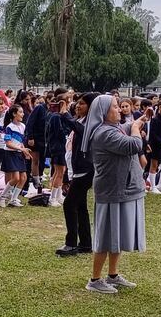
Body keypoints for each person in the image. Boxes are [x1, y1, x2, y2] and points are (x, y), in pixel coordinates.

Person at [83, 94, 149, 294]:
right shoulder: (104, 133)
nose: (119, 109)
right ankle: (95, 280)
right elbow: (133, 145)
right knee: (106, 236)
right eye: (114, 106)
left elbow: (125, 129)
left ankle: (112, 275)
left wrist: (137, 122)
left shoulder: (113, 128)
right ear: (103, 112)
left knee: (116, 235)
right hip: (112, 191)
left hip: (122, 189)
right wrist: (136, 129)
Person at [56, 93, 97, 256]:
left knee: (69, 204)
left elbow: (82, 131)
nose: (78, 106)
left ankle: (71, 243)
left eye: (82, 103)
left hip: (86, 169)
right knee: (80, 206)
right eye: (77, 103)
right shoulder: (81, 120)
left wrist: (65, 114)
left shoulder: (93, 123)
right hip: (79, 168)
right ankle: (85, 243)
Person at [0, 104, 31, 208]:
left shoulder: (23, 126)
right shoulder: (9, 127)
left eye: (23, 112)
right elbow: (8, 143)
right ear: (14, 114)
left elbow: (20, 142)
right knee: (16, 178)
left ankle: (13, 199)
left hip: (19, 154)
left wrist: (25, 151)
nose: (23, 114)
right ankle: (2, 196)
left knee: (23, 177)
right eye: (20, 112)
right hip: (10, 153)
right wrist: (21, 149)